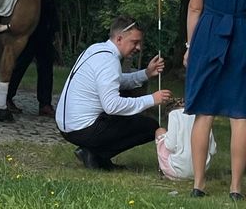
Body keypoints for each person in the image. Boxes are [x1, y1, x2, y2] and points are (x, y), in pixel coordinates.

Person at [184, 0, 246, 200]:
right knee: (241, 114)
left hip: (209, 36)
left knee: (204, 111)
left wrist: (189, 47)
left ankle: (198, 184)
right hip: (244, 37)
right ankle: (235, 187)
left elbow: (195, 8)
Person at [55, 16, 171, 170]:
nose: (138, 48)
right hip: (80, 129)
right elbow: (112, 106)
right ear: (119, 38)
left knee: (127, 107)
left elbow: (117, 81)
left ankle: (92, 152)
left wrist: (147, 73)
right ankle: (95, 154)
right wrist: (152, 99)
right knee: (150, 127)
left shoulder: (96, 49)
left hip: (66, 125)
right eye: (135, 42)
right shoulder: (108, 61)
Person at [7, 0, 58, 117]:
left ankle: (45, 103)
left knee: (46, 68)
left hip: (45, 32)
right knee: (20, 65)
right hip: (32, 32)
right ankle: (7, 96)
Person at [155, 104, 216, 180]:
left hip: (176, 170)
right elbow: (212, 149)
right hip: (201, 170)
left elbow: (170, 146)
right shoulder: (204, 116)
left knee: (160, 131)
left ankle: (163, 170)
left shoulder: (174, 114)